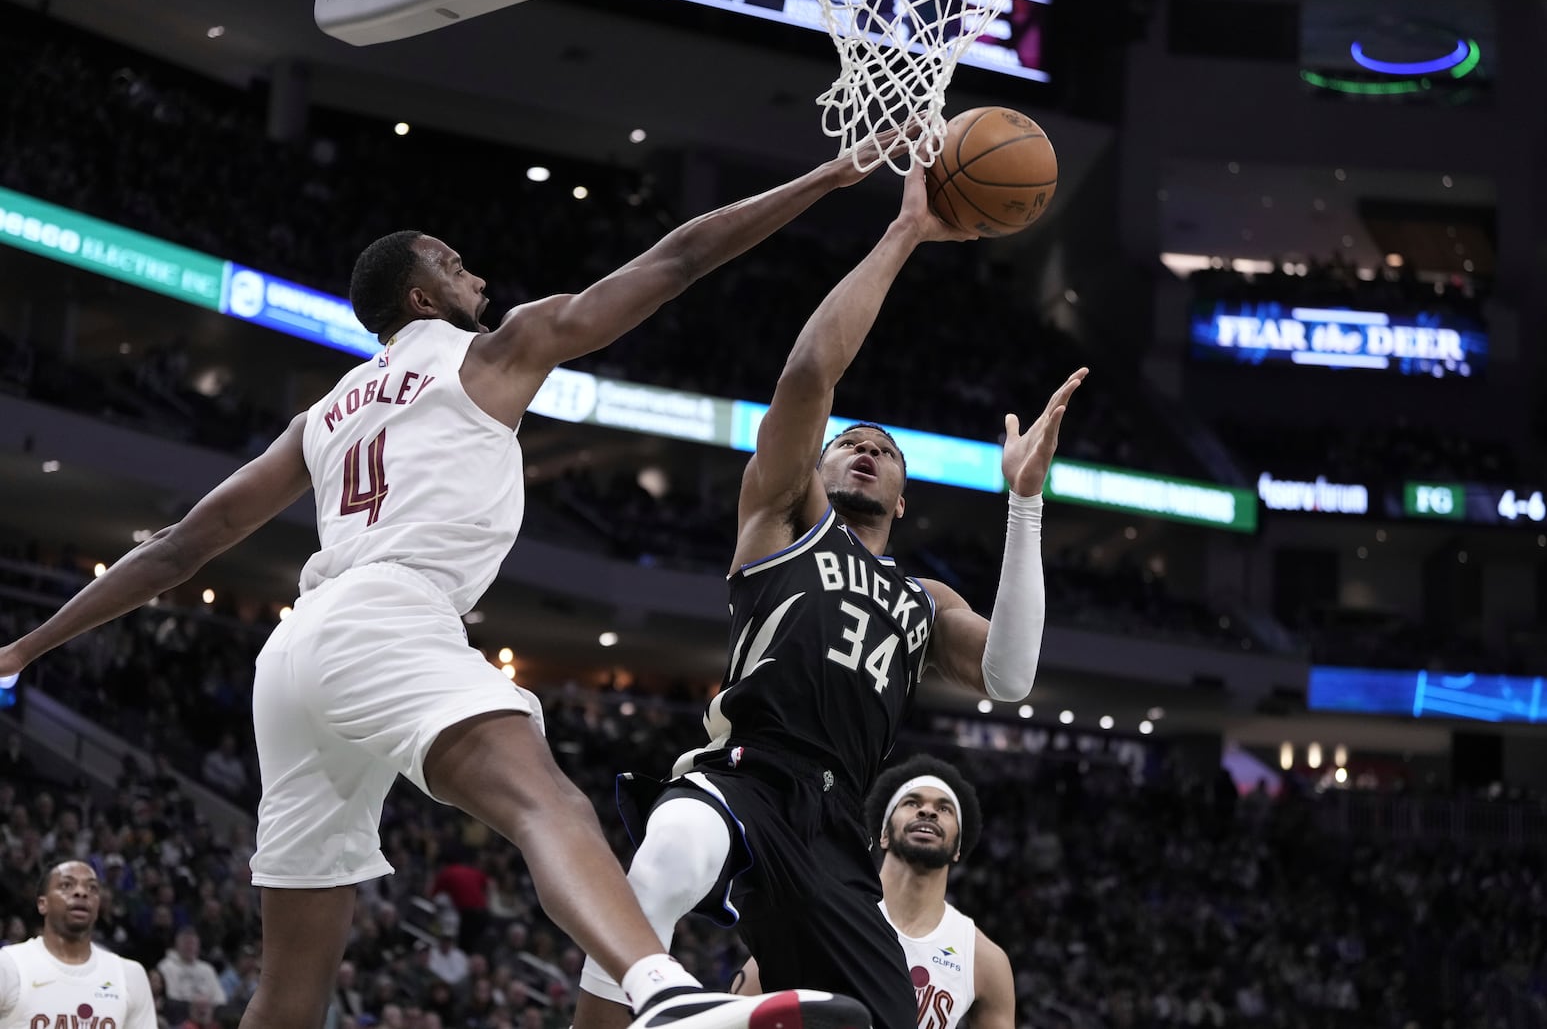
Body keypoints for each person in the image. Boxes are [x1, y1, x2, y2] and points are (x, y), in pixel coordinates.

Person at [0, 135, 911, 1029]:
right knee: (547, 800)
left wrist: (23, 646)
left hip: (293, 655)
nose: (474, 271)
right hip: (390, 619)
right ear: (418, 291)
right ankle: (664, 994)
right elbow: (675, 262)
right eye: (453, 259)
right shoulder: (494, 352)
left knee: (289, 996)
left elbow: (181, 547)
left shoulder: (322, 415)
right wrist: (827, 177)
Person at [573, 162, 1087, 1029]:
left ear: (903, 496)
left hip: (840, 827)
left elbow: (1010, 676)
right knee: (661, 864)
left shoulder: (923, 596)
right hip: (749, 773)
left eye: (882, 450)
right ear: (813, 467)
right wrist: (904, 235)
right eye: (846, 442)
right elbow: (811, 370)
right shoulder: (783, 518)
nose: (862, 451)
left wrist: (1024, 501)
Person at [732, 756, 1015, 1028]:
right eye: (912, 802)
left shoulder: (984, 959)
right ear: (884, 833)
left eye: (944, 809)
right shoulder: (823, 912)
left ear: (957, 848)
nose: (927, 811)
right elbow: (738, 1010)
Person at [0, 860, 157, 1029]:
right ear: (42, 903)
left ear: (98, 906)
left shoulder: (129, 976)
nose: (81, 892)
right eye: (66, 885)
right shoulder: (8, 966)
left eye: (92, 888)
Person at [157, 926, 227, 1006]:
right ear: (177, 944)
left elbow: (220, 998)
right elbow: (171, 996)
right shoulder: (166, 967)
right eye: (186, 943)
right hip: (179, 1012)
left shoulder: (207, 969)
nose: (190, 947)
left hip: (207, 1011)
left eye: (193, 943)